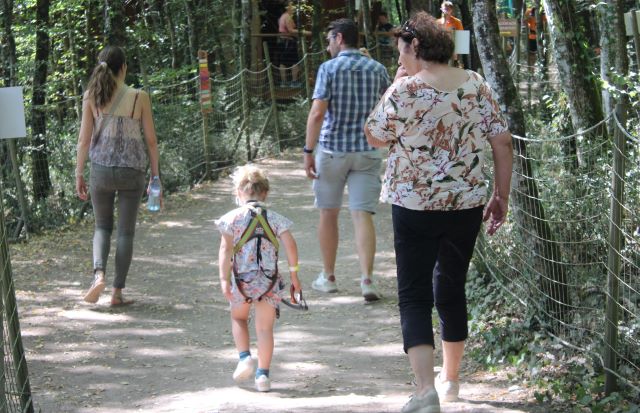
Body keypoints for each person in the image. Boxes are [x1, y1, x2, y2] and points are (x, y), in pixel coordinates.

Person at [364, 12, 513, 412]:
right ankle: (452, 381)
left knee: (413, 295)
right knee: (451, 288)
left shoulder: (405, 89)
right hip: (465, 205)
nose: (401, 60)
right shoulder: (475, 84)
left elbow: (375, 135)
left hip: (412, 206)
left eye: (402, 52)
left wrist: (393, 86)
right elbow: (502, 141)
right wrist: (502, 195)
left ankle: (426, 390)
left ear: (415, 47)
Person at [303, 18, 391, 302]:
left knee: (328, 212)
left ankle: (328, 277)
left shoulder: (328, 69)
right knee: (361, 214)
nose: (328, 45)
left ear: (339, 38)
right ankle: (367, 279)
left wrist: (307, 151)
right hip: (367, 151)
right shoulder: (377, 69)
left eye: (329, 39)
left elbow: (317, 114)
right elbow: (388, 111)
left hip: (332, 151)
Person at [76, 45, 161, 307]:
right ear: (123, 68)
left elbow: (83, 140)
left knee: (102, 226)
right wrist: (155, 175)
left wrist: (79, 172)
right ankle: (116, 293)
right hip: (132, 171)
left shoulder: (91, 96)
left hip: (100, 171)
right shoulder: (140, 97)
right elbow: (151, 141)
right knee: (126, 232)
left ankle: (98, 275)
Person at [215, 164, 301, 392]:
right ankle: (263, 375)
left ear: (238, 192)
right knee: (265, 329)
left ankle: (244, 357)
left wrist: (224, 279)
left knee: (239, 319)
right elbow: (291, 244)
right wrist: (294, 274)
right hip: (269, 282)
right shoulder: (276, 219)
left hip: (241, 281)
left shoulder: (230, 219)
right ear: (266, 193)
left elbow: (225, 250)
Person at [278, 1, 302, 87]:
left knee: (283, 62)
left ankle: (284, 82)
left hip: (283, 42)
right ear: (287, 7)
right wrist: (303, 32)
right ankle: (294, 82)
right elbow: (291, 30)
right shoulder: (287, 17)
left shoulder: (282, 17)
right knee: (294, 62)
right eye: (291, 5)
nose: (293, 7)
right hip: (289, 42)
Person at [437, 1, 463, 67]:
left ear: (451, 10)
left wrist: (457, 56)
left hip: (454, 53)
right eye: (444, 9)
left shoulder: (457, 22)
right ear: (441, 9)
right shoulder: (437, 23)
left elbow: (462, 40)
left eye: (447, 9)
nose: (445, 11)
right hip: (440, 53)